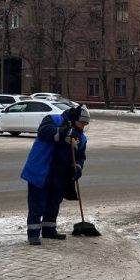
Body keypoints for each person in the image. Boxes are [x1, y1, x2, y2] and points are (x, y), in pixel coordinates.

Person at [20, 104, 90, 245]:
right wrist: (64, 132)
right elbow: (44, 132)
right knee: (37, 204)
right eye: (82, 123)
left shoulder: (81, 138)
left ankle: (49, 230)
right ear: (74, 119)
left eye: (85, 125)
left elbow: (80, 156)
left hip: (60, 175)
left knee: (53, 204)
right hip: (41, 170)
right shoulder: (53, 119)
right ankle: (33, 234)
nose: (83, 127)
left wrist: (77, 167)